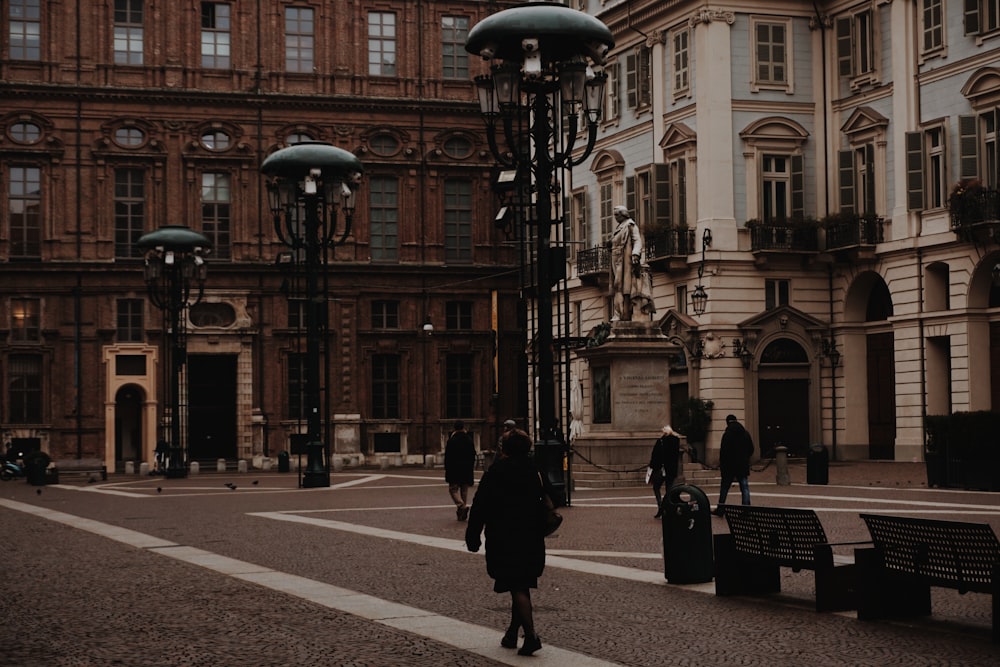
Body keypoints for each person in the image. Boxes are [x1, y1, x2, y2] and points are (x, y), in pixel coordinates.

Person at [465, 428, 546, 656]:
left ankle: (530, 636)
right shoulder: (533, 470)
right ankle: (512, 633)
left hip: (505, 536)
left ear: (505, 448)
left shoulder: (497, 472)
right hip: (531, 536)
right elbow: (553, 498)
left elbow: (480, 506)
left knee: (517, 586)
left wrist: (473, 535)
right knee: (519, 584)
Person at [608, 205, 655, 322]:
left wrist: (635, 254)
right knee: (617, 286)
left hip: (624, 261)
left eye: (616, 215)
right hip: (616, 259)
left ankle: (620, 313)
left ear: (623, 214)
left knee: (621, 286)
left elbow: (637, 240)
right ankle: (620, 313)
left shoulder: (630, 225)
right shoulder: (619, 227)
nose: (615, 217)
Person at [713, 414, 754, 515]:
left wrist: (722, 464)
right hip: (742, 465)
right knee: (744, 487)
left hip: (729, 466)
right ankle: (746, 509)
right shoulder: (745, 433)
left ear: (727, 422)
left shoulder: (727, 434)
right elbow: (751, 449)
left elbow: (724, 452)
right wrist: (745, 458)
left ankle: (721, 508)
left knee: (724, 488)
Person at [445, 421, 476, 521]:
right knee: (464, 490)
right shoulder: (469, 440)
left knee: (453, 489)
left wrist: (447, 469)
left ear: (454, 428)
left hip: (454, 469)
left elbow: (448, 457)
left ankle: (461, 505)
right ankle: (461, 513)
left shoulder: (452, 440)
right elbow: (473, 455)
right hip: (466, 469)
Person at [648, 425, 681, 519]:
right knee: (669, 490)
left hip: (661, 469)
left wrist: (652, 467)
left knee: (656, 487)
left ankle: (661, 506)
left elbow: (655, 456)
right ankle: (668, 508)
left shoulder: (661, 441)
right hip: (672, 470)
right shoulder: (676, 441)